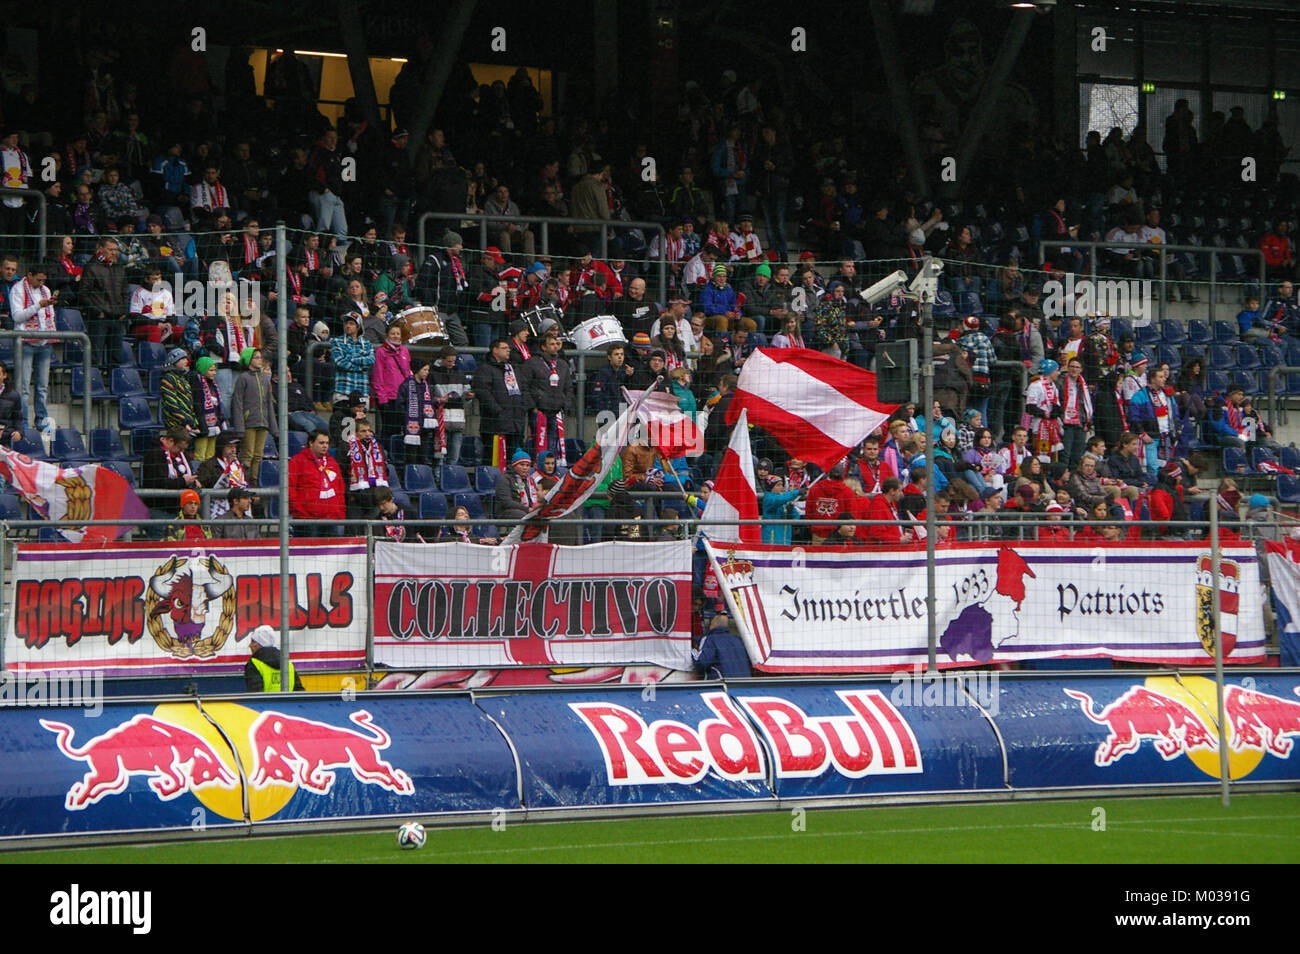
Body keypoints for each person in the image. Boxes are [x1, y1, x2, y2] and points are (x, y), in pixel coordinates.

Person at [9, 262, 58, 434]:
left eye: (44, 280)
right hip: (25, 342)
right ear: (29, 275)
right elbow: (17, 316)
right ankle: (22, 422)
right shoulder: (17, 289)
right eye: (38, 279)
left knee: (42, 386)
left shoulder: (46, 290)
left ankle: (41, 421)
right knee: (23, 387)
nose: (41, 283)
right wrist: (38, 306)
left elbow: (47, 317)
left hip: (44, 342)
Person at [473, 337, 527, 470]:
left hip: (515, 423)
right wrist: (498, 410)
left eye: (509, 348)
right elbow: (483, 392)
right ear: (494, 350)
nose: (508, 350)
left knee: (513, 459)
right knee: (494, 460)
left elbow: (523, 389)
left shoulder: (513, 368)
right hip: (495, 425)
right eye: (504, 348)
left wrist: (522, 408)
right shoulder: (485, 369)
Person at [288, 428, 345, 536]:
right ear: (311, 443)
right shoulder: (297, 461)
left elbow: (340, 489)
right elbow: (290, 489)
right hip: (307, 521)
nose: (325, 446)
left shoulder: (332, 462)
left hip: (332, 519)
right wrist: (300, 513)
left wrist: (339, 513)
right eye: (321, 443)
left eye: (327, 443)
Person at [230, 347, 274, 480]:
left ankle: (254, 481)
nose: (260, 360)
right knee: (248, 454)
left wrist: (273, 426)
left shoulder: (264, 379)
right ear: (249, 359)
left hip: (263, 423)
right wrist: (240, 427)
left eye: (260, 357)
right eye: (256, 357)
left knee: (258, 455)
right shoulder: (243, 378)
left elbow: (269, 403)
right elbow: (237, 403)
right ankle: (244, 480)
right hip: (249, 423)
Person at [339, 417, 389, 522]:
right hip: (355, 499)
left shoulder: (377, 448)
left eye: (369, 431)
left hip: (374, 498)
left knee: (372, 531)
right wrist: (350, 495)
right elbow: (341, 473)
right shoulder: (346, 448)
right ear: (355, 433)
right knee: (355, 533)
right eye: (363, 431)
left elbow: (385, 470)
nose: (367, 434)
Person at [244, 624, 304, 692]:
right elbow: (299, 693)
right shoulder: (287, 663)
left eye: (253, 641)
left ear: (261, 643)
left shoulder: (254, 664)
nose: (250, 645)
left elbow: (255, 696)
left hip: (266, 702)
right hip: (287, 702)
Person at [693, 610, 751, 679]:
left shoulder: (710, 640)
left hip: (723, 685)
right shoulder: (739, 640)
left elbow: (701, 663)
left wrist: (692, 650)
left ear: (712, 626)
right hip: (745, 684)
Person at [495, 448, 540, 524]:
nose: (525, 468)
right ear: (514, 465)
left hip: (528, 510)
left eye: (528, 465)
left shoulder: (530, 480)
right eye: (522, 465)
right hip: (507, 511)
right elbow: (507, 502)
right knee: (524, 516)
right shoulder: (505, 479)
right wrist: (527, 509)